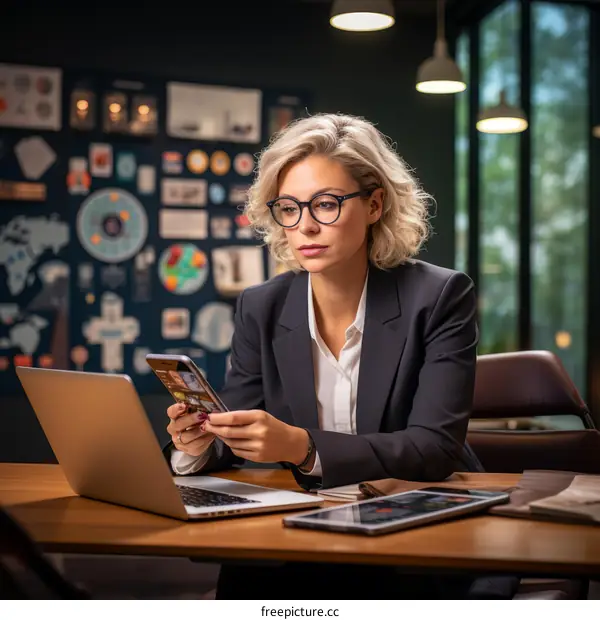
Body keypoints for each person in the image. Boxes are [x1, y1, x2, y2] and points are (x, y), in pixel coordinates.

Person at [163, 112, 517, 599]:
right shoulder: (260, 306)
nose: (305, 226)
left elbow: (434, 448)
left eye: (326, 204)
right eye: (288, 208)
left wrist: (303, 448)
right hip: (304, 527)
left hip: (419, 525)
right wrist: (198, 443)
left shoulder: (439, 296)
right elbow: (239, 428)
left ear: (374, 205)